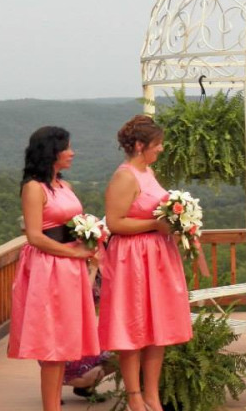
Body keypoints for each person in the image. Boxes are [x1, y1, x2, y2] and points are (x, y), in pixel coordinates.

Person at [98, 115, 193, 411]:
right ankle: (135, 397)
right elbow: (114, 222)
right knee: (133, 326)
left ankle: (152, 395)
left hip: (157, 257)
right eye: (157, 144)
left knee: (157, 327)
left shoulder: (148, 172)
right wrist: (155, 225)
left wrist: (178, 223)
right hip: (131, 261)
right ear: (140, 145)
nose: (161, 149)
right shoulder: (125, 176)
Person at [8, 126, 99, 411]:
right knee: (52, 344)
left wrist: (90, 240)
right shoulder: (33, 188)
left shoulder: (65, 186)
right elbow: (34, 236)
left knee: (65, 343)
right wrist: (74, 254)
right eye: (67, 148)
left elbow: (73, 223)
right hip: (47, 269)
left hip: (70, 268)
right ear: (52, 151)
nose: (73, 152)